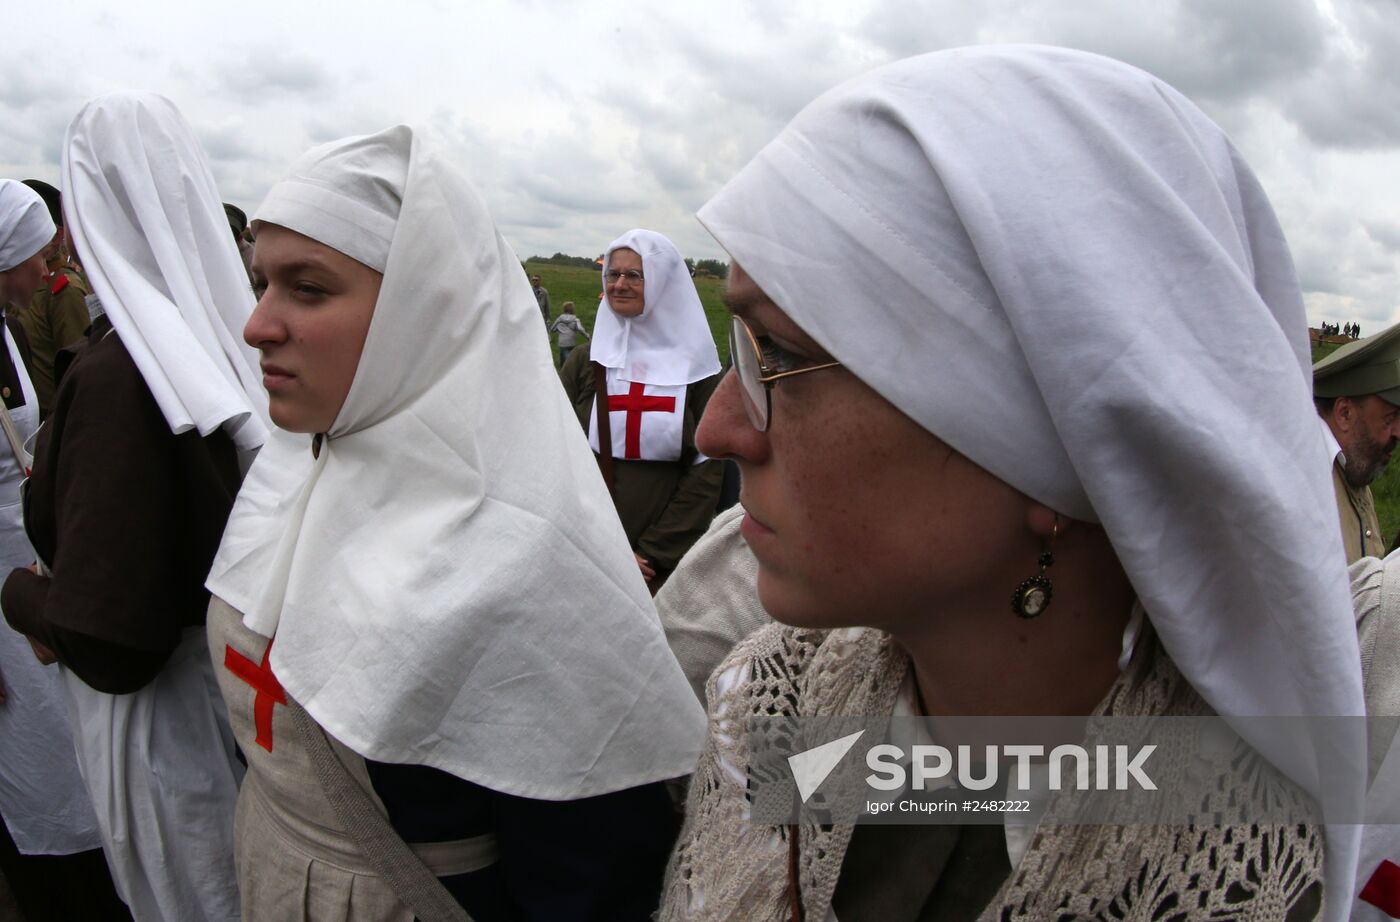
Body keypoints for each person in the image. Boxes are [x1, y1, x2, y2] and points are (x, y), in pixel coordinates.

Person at [659, 47, 1365, 922]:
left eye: (783, 356)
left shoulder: (1249, 859)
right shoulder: (769, 705)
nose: (718, 427)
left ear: (1055, 447)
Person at [204, 125, 705, 921]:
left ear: (423, 310)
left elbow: (589, 881)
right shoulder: (291, 468)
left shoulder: (530, 562)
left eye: (307, 287)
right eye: (260, 282)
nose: (256, 324)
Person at [2, 93, 269, 922]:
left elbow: (113, 644)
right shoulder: (218, 338)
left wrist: (22, 596)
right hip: (220, 696)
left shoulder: (125, 377)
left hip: (162, 726)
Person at [0, 179, 131, 921]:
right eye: (33, 258)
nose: (45, 273)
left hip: (21, 559)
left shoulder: (11, 326)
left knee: (59, 745)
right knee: (28, 754)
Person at [560, 230, 725, 591]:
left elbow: (706, 471)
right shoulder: (586, 361)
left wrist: (652, 553)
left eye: (634, 275)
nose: (619, 284)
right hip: (584, 543)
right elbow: (552, 447)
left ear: (664, 282)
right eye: (612, 273)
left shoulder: (699, 370)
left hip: (655, 564)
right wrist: (591, 539)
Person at [1313, 322, 1400, 561]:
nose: (1398, 433)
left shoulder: (1354, 465)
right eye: (1390, 417)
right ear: (1344, 414)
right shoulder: (1304, 485)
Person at [13, 178, 90, 418]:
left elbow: (77, 368)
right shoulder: (14, 281)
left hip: (46, 421)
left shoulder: (63, 290)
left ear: (55, 237)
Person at [549, 299, 589, 366]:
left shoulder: (560, 319)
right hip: (571, 342)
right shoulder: (576, 319)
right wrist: (587, 336)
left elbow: (552, 329)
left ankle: (563, 374)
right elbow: (580, 328)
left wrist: (559, 327)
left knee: (564, 362)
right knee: (572, 360)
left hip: (562, 343)